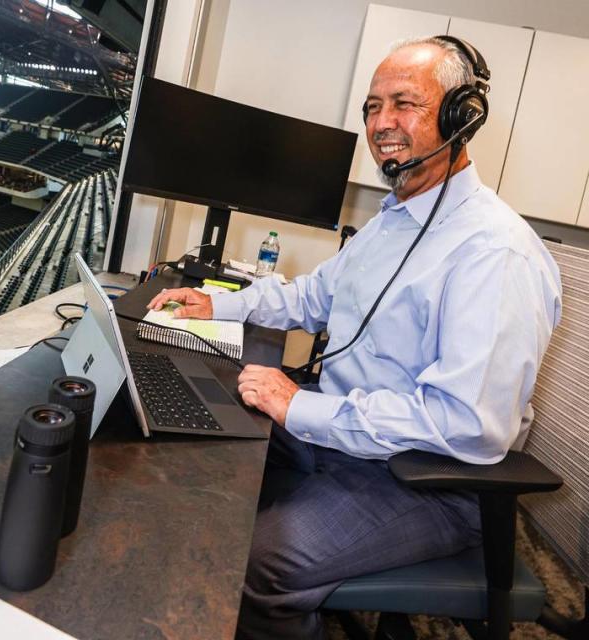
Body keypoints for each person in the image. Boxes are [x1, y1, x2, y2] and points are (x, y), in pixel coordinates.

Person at [148, 36, 561, 639]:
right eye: (372, 106)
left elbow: (467, 424)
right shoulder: (394, 220)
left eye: (403, 104)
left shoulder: (494, 253)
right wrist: (217, 302)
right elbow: (311, 297)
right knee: (199, 448)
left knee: (252, 564)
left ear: (459, 116)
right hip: (346, 442)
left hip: (425, 482)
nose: (381, 123)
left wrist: (298, 404)